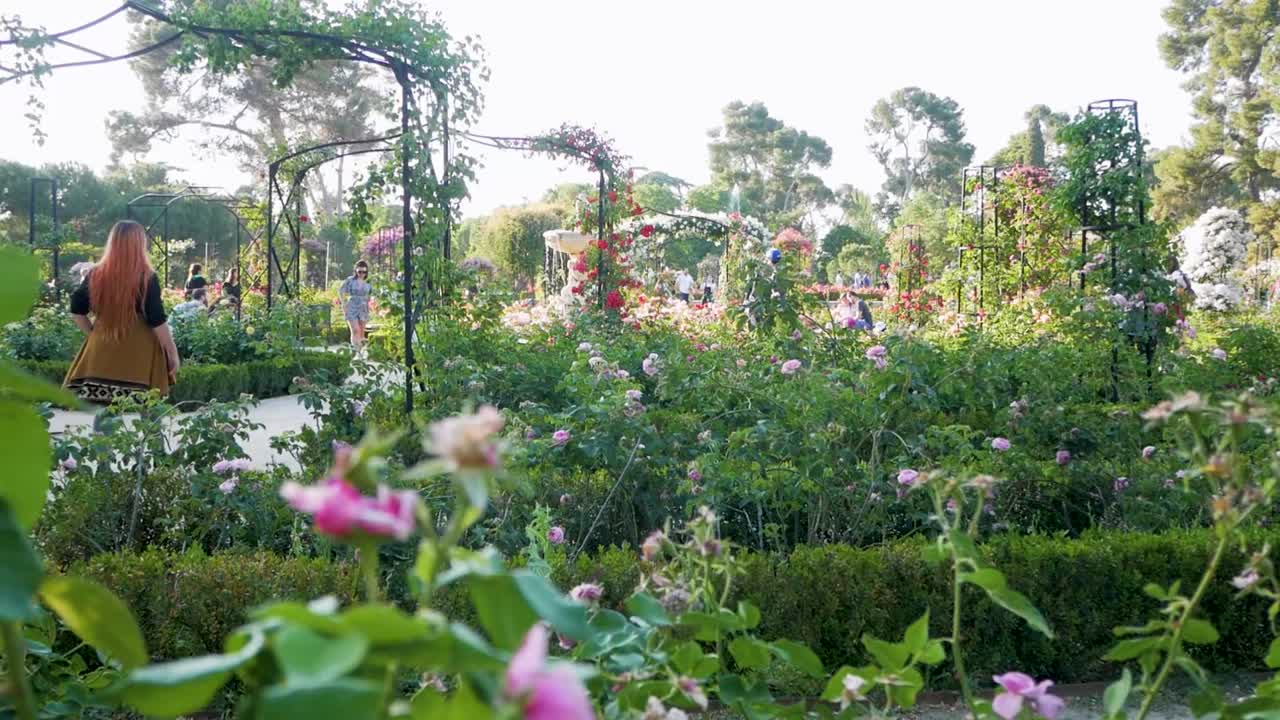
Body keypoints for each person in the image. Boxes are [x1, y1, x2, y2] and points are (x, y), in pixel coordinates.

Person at [65, 220, 180, 403]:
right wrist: (172, 352)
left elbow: (76, 309)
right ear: (139, 244)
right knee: (149, 408)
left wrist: (94, 334)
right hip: (140, 352)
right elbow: (156, 318)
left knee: (104, 411)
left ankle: (101, 434)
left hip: (103, 348)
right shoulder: (146, 278)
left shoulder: (95, 275)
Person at [339, 260, 372, 346]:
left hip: (363, 307)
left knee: (361, 332)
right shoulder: (350, 280)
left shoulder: (368, 282)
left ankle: (360, 353)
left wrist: (370, 303)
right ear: (356, 271)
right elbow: (341, 290)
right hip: (352, 306)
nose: (361, 274)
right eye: (359, 271)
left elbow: (372, 294)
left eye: (364, 272)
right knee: (355, 330)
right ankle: (356, 351)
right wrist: (343, 303)